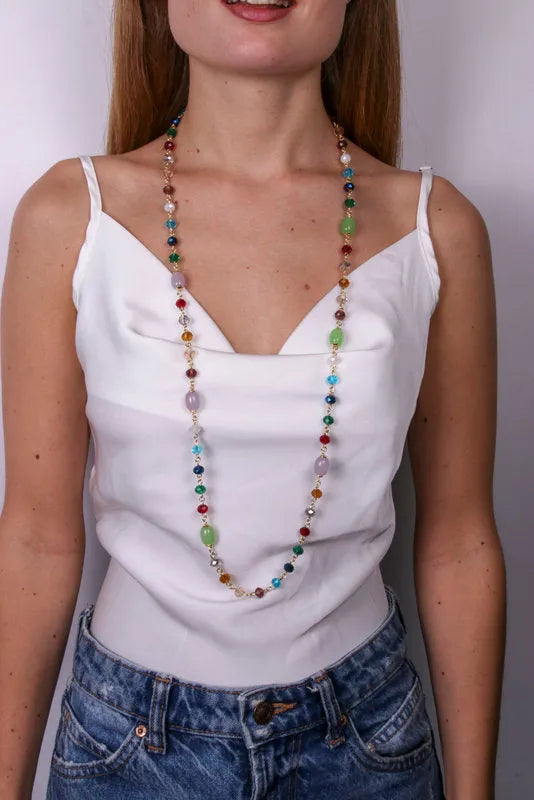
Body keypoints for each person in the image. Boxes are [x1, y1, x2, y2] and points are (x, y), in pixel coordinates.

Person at [0, 0, 506, 798]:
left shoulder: (436, 228)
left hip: (366, 748)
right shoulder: (71, 217)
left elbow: (460, 542)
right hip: (127, 754)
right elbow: (34, 537)